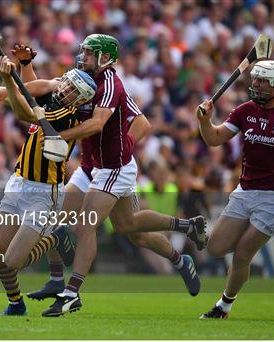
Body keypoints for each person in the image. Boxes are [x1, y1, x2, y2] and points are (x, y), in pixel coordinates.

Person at [41, 34, 206, 317]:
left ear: (105, 57)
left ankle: (71, 293)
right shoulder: (81, 77)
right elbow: (142, 121)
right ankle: (184, 244)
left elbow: (97, 124)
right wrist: (8, 88)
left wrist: (61, 136)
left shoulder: (110, 84)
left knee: (85, 225)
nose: (84, 57)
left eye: (90, 53)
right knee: (129, 228)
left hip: (113, 169)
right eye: (83, 52)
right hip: (91, 166)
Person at [196, 60, 274, 319]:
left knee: (242, 254)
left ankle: (224, 305)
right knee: (215, 248)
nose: (256, 85)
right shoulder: (245, 110)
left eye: (263, 82)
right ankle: (227, 297)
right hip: (244, 191)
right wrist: (205, 121)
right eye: (256, 80)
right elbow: (214, 139)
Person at [0, 52, 97, 317]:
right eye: (67, 84)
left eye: (73, 90)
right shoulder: (53, 97)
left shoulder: (66, 113)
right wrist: (24, 67)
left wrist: (7, 82)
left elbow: (24, 111)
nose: (66, 90)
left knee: (14, 260)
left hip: (44, 192)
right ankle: (16, 303)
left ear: (81, 100)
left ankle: (55, 237)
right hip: (18, 183)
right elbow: (32, 89)